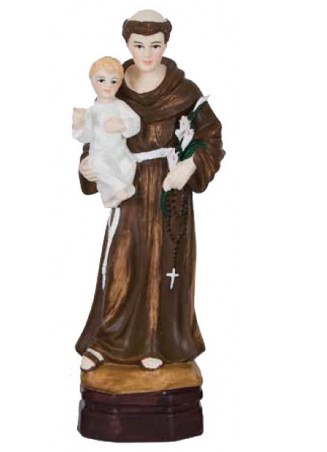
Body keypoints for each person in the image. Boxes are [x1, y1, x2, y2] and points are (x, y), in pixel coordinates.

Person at [76, 10, 226, 371]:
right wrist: (86, 166)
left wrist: (191, 164)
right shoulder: (113, 84)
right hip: (127, 186)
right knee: (121, 262)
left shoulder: (184, 93)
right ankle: (108, 340)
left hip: (168, 191)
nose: (147, 53)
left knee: (164, 263)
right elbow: (97, 136)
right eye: (139, 45)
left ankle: (158, 342)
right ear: (127, 43)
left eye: (155, 45)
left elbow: (211, 137)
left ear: (166, 44)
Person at [72, 56, 140, 208]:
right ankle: (119, 189)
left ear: (120, 83)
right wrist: (79, 124)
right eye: (101, 80)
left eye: (113, 81)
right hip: (101, 154)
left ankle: (113, 198)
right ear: (91, 80)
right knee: (100, 165)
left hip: (120, 152)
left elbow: (135, 122)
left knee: (128, 165)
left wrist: (122, 124)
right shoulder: (91, 112)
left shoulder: (120, 106)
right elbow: (86, 137)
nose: (107, 86)